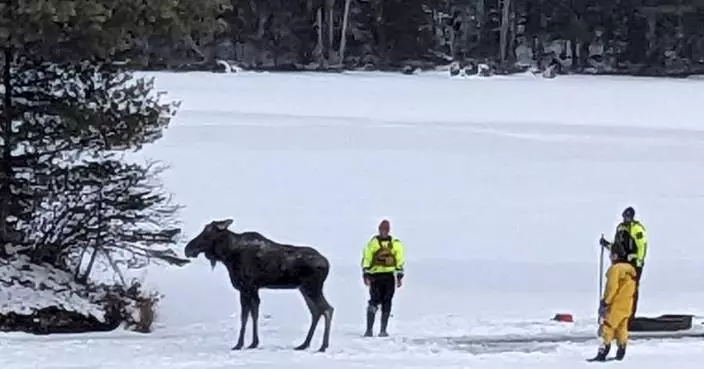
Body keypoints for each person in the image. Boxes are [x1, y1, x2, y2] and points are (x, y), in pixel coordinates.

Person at [590, 242, 637, 361]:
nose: (610, 257)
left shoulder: (615, 270)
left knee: (607, 327)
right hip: (627, 305)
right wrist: (605, 244)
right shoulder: (629, 270)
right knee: (622, 328)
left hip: (615, 305)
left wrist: (605, 302)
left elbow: (612, 288)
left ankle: (602, 352)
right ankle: (621, 351)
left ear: (615, 256)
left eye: (611, 255)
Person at [599, 206, 647, 318]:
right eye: (625, 216)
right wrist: (606, 244)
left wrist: (638, 259)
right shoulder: (620, 228)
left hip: (633, 264)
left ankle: (630, 316)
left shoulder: (637, 229)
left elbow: (642, 246)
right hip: (621, 263)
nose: (626, 219)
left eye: (628, 216)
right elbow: (617, 246)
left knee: (631, 290)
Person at [360, 219, 405, 337]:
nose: (384, 231)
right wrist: (399, 275)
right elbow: (399, 260)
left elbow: (367, 259)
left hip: (380, 276)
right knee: (382, 302)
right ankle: (378, 330)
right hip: (383, 277)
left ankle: (374, 330)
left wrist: (365, 273)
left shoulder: (373, 243)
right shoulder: (394, 243)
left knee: (378, 301)